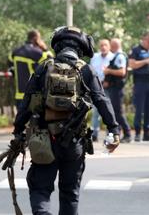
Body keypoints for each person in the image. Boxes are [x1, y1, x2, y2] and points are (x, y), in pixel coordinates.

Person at [13, 26, 120, 215]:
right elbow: (102, 100)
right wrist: (114, 129)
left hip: (44, 141)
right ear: (81, 49)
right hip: (74, 144)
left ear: (58, 46)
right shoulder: (86, 71)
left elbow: (26, 102)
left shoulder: (44, 68)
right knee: (70, 193)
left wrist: (18, 130)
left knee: (40, 189)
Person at [9, 30, 52, 106]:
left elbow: (11, 67)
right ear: (35, 39)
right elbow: (51, 61)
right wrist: (45, 49)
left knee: (21, 117)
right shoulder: (37, 52)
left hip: (19, 96)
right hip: (33, 95)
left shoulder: (15, 52)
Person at [103, 38, 132, 143]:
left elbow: (122, 72)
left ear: (114, 45)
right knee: (115, 112)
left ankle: (128, 134)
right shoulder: (116, 56)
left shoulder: (120, 56)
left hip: (117, 88)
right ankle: (117, 133)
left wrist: (108, 70)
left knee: (118, 112)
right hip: (113, 88)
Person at [89, 39, 113, 141]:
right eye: (102, 45)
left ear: (109, 46)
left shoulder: (113, 57)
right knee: (96, 112)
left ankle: (110, 133)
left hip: (109, 88)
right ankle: (95, 134)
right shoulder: (94, 57)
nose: (103, 47)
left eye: (105, 45)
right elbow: (91, 71)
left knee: (109, 111)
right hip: (96, 87)